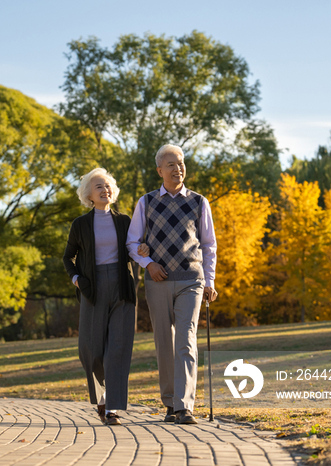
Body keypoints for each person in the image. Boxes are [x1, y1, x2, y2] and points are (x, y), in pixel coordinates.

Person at [126, 144, 218, 425]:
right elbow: (132, 242)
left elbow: (209, 244)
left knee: (186, 340)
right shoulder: (147, 202)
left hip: (191, 280)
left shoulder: (199, 202)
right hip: (158, 280)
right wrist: (148, 264)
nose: (177, 168)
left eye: (180, 163)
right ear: (159, 171)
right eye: (171, 164)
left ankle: (184, 406)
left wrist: (210, 280)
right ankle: (169, 403)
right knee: (164, 342)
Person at [62, 168, 145, 426]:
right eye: (99, 186)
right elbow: (68, 257)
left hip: (122, 287)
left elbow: (132, 251)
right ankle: (100, 398)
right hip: (92, 289)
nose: (104, 190)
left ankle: (112, 408)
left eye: (108, 185)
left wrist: (141, 250)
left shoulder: (124, 221)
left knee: (118, 349)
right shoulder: (80, 224)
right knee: (91, 349)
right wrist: (78, 280)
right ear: (88, 193)